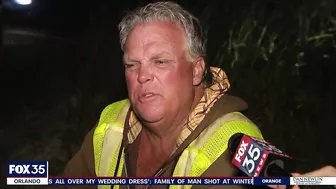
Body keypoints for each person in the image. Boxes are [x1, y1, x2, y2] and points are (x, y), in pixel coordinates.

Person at [49, 1, 336, 189]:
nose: (142, 75)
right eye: (131, 64)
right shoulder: (111, 122)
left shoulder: (237, 147)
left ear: (197, 71)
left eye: (160, 61)